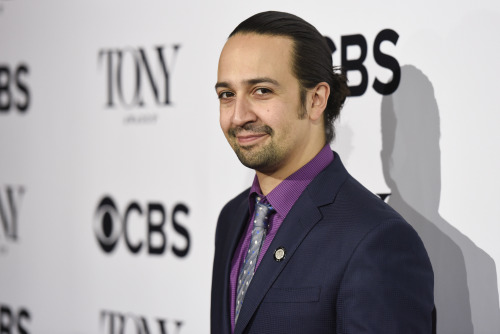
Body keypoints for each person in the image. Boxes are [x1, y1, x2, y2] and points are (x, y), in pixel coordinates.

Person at [211, 11, 434, 334]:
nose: (238, 116)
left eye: (261, 91)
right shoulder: (232, 219)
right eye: (227, 95)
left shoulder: (376, 239)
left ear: (316, 100)